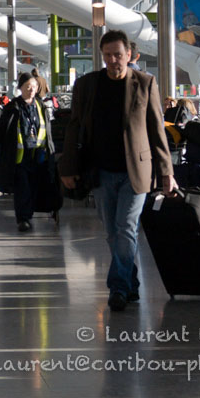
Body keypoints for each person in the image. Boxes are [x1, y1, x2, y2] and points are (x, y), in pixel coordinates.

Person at [59, 30, 176, 311]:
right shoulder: (87, 85)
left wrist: (166, 173)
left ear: (129, 55)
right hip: (100, 171)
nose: (113, 60)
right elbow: (74, 126)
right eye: (108, 55)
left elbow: (156, 130)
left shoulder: (145, 83)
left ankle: (118, 288)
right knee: (113, 232)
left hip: (136, 172)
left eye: (118, 55)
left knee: (126, 228)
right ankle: (131, 282)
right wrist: (68, 166)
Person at [0, 73, 55, 231]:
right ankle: (23, 218)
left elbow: (47, 130)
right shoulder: (13, 108)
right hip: (19, 158)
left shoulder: (40, 106)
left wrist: (51, 150)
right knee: (22, 187)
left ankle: (29, 213)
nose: (31, 90)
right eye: (27, 87)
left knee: (34, 186)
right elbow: (0, 129)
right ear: (20, 88)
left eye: (34, 86)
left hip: (38, 155)